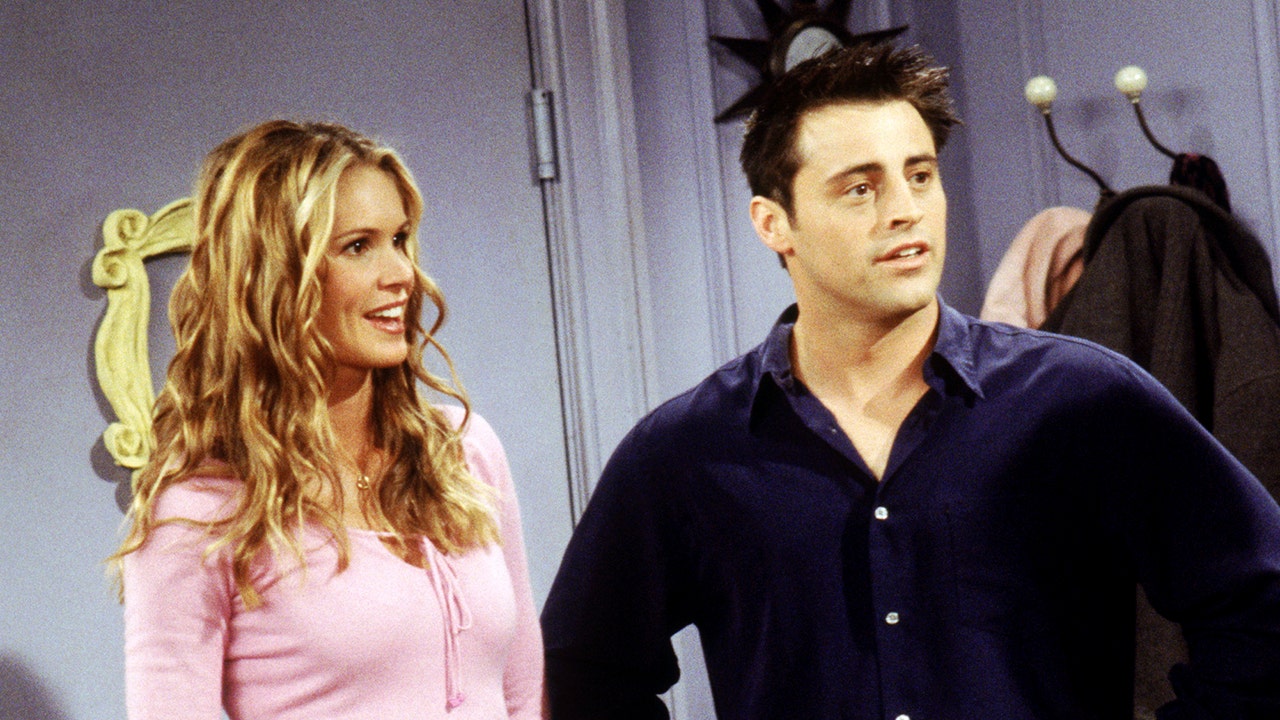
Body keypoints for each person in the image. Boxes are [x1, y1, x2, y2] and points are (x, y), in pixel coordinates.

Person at [540, 43, 1280, 719]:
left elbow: (1262, 601)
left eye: (920, 176)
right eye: (859, 189)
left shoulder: (1083, 402)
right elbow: (584, 671)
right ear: (774, 224)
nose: (905, 211)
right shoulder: (685, 450)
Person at [113, 120, 544, 719]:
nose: (401, 274)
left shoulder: (464, 451)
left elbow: (523, 693)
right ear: (274, 276)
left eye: (400, 239)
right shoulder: (200, 512)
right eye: (358, 246)